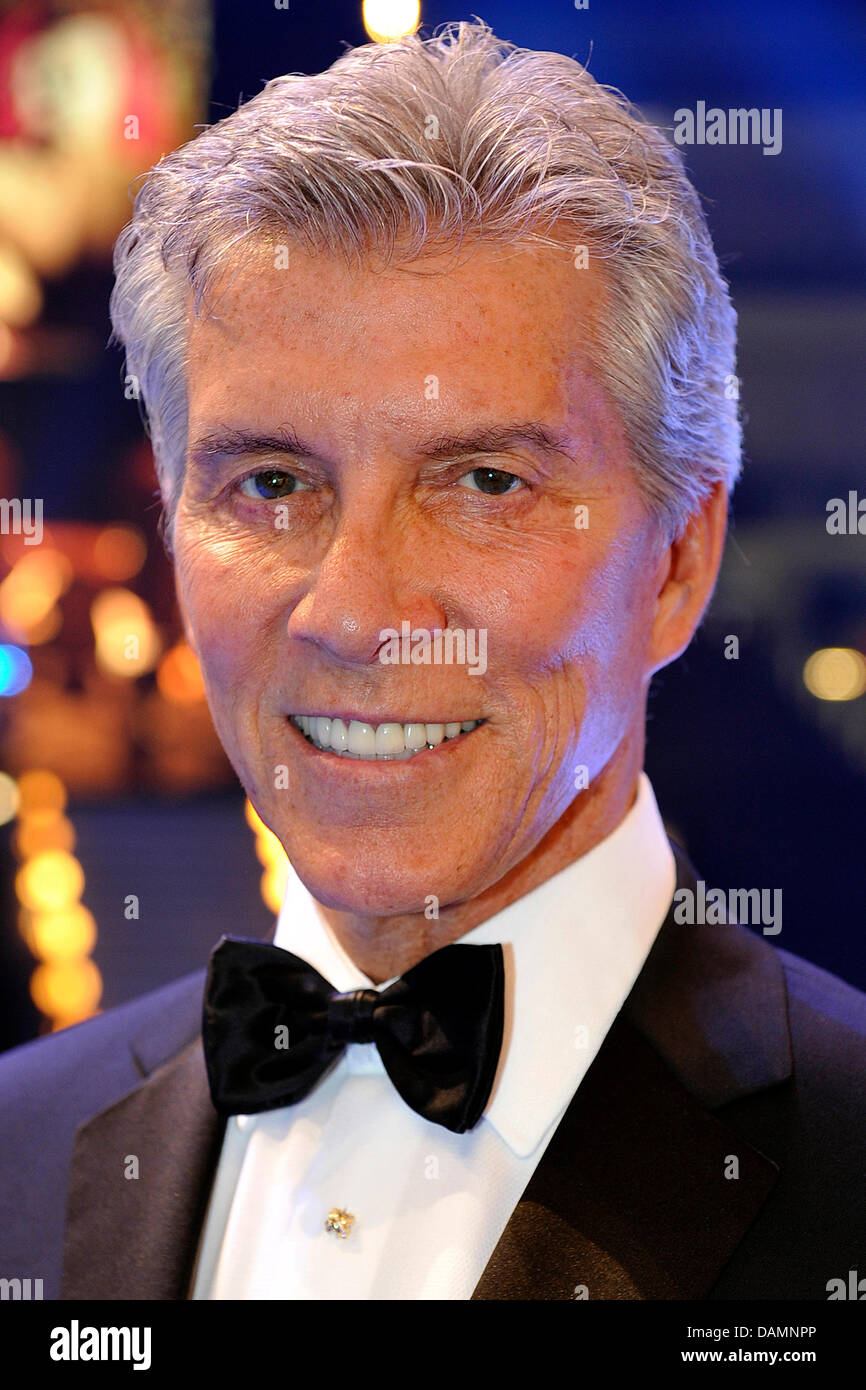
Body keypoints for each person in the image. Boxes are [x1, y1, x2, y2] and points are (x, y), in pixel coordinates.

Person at [1, 18, 864, 1302]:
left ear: (678, 562)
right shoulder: (19, 1144)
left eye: (481, 480)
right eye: (273, 480)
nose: (354, 612)